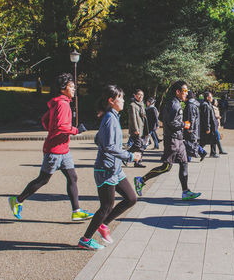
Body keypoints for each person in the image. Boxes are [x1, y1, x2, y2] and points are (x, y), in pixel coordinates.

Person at [8, 73, 93, 221]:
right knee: (43, 180)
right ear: (63, 88)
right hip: (54, 150)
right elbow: (61, 126)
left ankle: (76, 211)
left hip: (62, 149)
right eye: (71, 86)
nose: (74, 89)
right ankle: (17, 200)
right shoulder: (62, 104)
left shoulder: (59, 103)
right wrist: (76, 130)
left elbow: (45, 119)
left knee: (72, 177)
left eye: (74, 87)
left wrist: (52, 129)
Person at [78, 85, 142, 250]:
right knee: (106, 206)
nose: (122, 100)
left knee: (131, 198)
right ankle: (85, 239)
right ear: (111, 101)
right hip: (105, 170)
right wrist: (130, 156)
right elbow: (109, 147)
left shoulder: (111, 117)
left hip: (115, 169)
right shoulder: (110, 119)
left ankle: (103, 224)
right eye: (120, 98)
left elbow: (99, 140)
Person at [133, 81, 201, 200]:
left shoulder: (175, 103)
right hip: (172, 140)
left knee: (184, 163)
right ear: (178, 92)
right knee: (166, 167)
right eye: (184, 91)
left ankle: (185, 191)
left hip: (179, 140)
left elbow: (163, 118)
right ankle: (141, 180)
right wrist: (183, 124)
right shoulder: (174, 104)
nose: (187, 93)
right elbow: (171, 123)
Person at [184, 91, 207, 162]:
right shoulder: (194, 104)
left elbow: (190, 118)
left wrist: (189, 128)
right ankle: (201, 152)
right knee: (191, 142)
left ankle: (190, 157)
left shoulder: (190, 105)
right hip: (195, 128)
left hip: (191, 128)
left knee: (189, 143)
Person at [128, 89, 149, 167]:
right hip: (136, 129)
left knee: (140, 146)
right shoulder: (132, 105)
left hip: (143, 128)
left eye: (142, 95)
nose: (141, 96)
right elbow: (133, 118)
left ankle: (137, 162)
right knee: (138, 146)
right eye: (139, 94)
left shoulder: (142, 104)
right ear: (135, 95)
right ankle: (125, 156)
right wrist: (136, 129)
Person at [200, 92, 219, 158]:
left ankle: (213, 153)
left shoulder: (209, 104)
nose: (212, 98)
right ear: (207, 97)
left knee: (214, 139)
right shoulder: (205, 105)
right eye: (211, 97)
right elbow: (206, 117)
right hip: (209, 126)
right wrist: (207, 128)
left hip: (212, 126)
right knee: (204, 141)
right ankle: (196, 150)